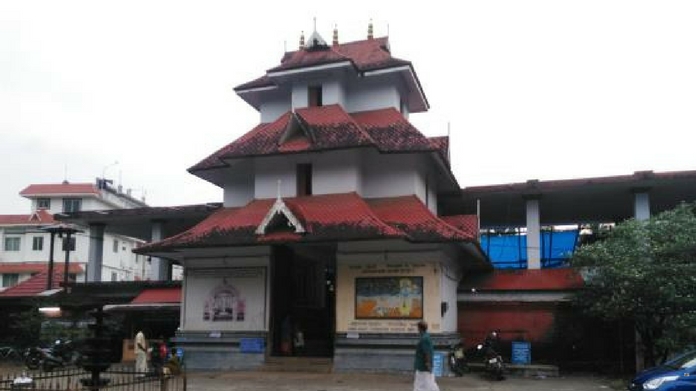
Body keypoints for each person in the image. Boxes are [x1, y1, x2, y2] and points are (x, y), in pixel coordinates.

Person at [413, 320, 440, 391]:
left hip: (423, 366)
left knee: (426, 383)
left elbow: (427, 352)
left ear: (420, 328)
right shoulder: (425, 336)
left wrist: (428, 364)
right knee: (427, 383)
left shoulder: (424, 338)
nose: (417, 329)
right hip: (423, 366)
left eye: (418, 327)